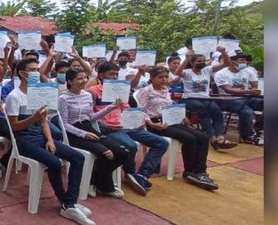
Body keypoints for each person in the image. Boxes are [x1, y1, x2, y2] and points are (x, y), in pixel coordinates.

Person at [5, 59, 94, 225]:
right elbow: (14, 126)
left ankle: (70, 202)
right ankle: (66, 202)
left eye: (37, 69)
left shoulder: (38, 93)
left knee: (77, 157)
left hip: (41, 137)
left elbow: (44, 121)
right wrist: (34, 118)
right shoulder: (14, 97)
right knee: (54, 163)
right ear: (22, 73)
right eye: (32, 70)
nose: (36, 73)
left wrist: (51, 140)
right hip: (24, 141)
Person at [86, 62, 169, 194]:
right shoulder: (92, 92)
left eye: (116, 74)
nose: (114, 77)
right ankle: (130, 173)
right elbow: (89, 117)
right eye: (111, 74)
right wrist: (106, 126)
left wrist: (142, 120)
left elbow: (128, 108)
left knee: (161, 142)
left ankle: (142, 175)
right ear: (101, 75)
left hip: (128, 126)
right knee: (131, 146)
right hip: (109, 129)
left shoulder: (120, 90)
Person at [134, 66, 218, 190]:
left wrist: (182, 115)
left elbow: (171, 105)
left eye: (165, 77)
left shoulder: (165, 90)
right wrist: (150, 123)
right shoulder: (146, 91)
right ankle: (189, 171)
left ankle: (200, 171)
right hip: (156, 124)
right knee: (189, 138)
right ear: (152, 78)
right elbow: (140, 109)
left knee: (203, 137)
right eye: (160, 77)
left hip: (171, 120)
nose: (163, 80)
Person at [58, 68, 133, 198]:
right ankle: (106, 186)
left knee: (123, 152)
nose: (84, 81)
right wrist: (83, 134)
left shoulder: (87, 95)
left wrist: (111, 107)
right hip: (73, 133)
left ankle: (94, 180)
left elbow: (91, 117)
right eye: (79, 78)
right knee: (107, 154)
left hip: (88, 128)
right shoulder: (63, 98)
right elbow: (63, 124)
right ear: (69, 81)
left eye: (85, 78)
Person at [175, 46, 236, 149]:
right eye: (199, 61)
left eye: (203, 61)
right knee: (203, 111)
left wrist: (224, 52)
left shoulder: (207, 70)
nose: (201, 63)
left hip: (206, 98)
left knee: (216, 111)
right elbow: (177, 72)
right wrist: (186, 59)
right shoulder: (188, 73)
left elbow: (226, 64)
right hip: (190, 98)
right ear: (192, 62)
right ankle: (212, 138)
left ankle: (220, 136)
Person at [213, 53, 264, 144]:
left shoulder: (249, 71)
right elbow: (228, 90)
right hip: (228, 100)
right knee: (247, 112)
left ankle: (258, 127)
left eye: (246, 60)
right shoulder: (221, 74)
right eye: (242, 60)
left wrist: (254, 91)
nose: (245, 62)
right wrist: (248, 91)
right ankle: (248, 136)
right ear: (232, 61)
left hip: (246, 98)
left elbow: (254, 87)